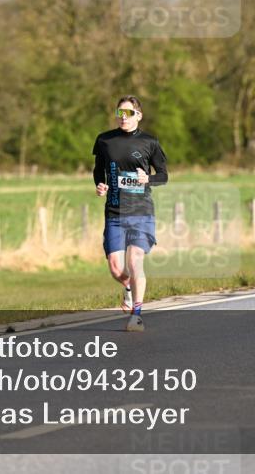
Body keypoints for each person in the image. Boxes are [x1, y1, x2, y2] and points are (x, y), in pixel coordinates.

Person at [92, 95, 168, 332]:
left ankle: (137, 314)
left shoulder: (149, 142)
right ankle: (128, 288)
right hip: (114, 210)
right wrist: (100, 185)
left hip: (141, 211)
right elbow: (98, 170)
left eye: (129, 113)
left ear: (139, 115)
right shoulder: (105, 141)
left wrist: (150, 178)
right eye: (120, 113)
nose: (124, 118)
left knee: (135, 260)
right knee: (116, 268)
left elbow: (164, 175)